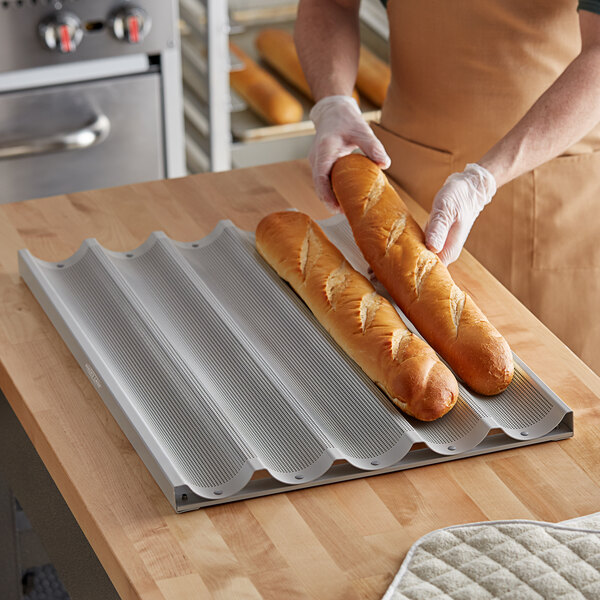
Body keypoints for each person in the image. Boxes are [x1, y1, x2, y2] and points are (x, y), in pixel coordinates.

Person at [295, 0, 600, 374]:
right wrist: (332, 101)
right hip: (409, 193)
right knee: (402, 381)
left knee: (562, 390)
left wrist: (485, 177)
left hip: (549, 194)